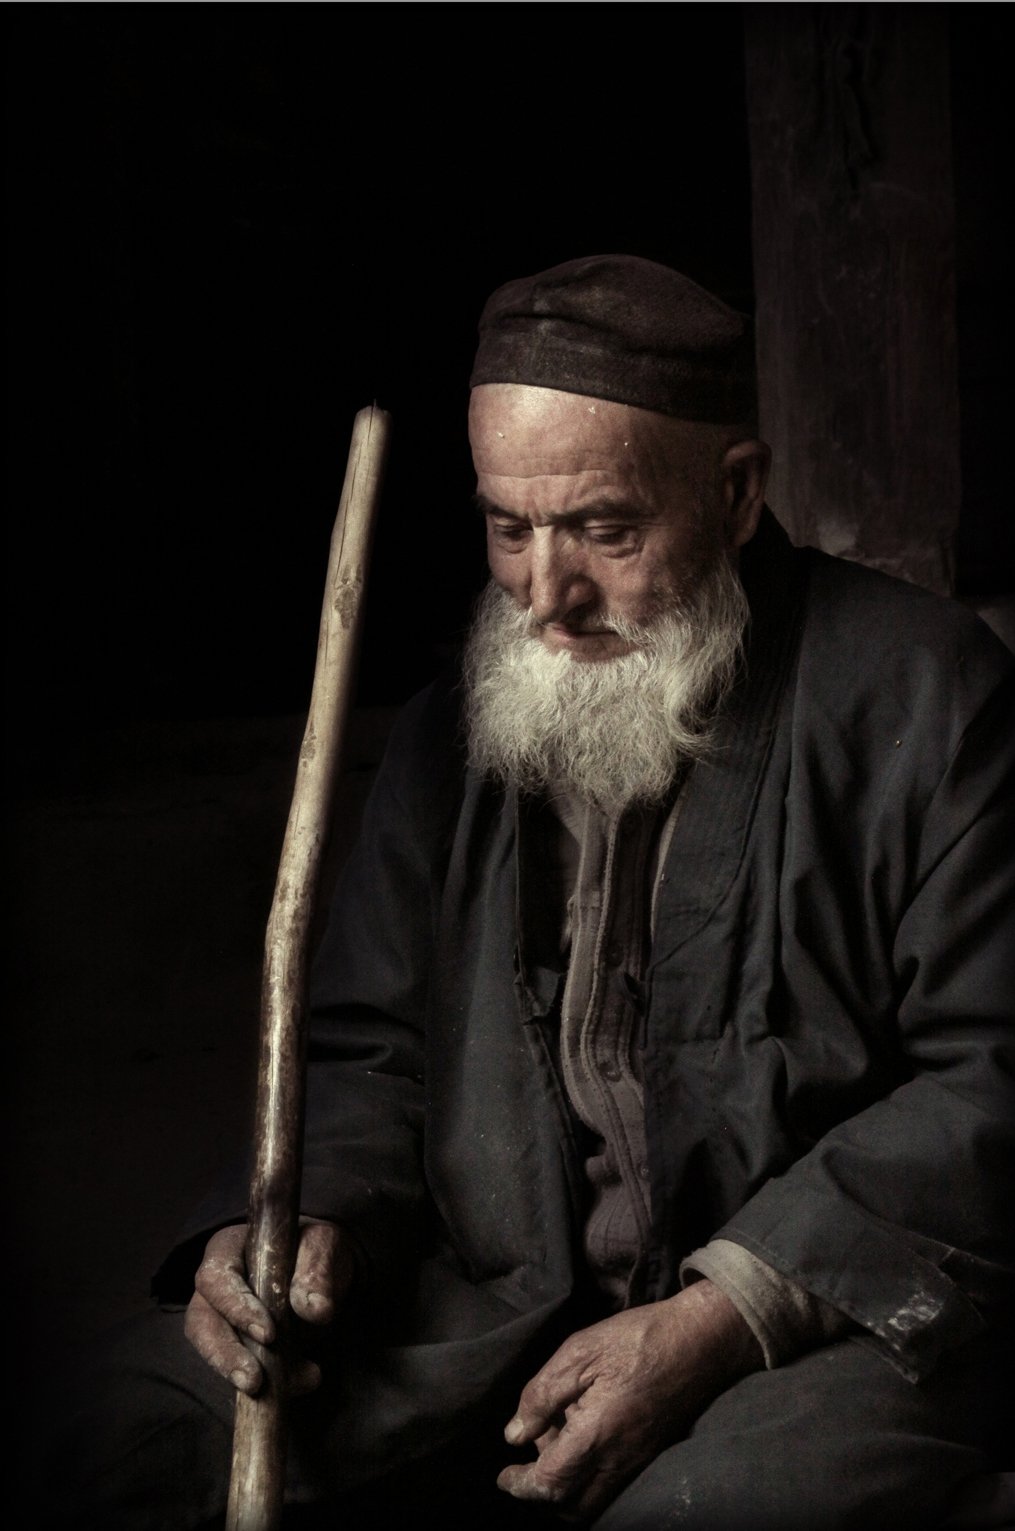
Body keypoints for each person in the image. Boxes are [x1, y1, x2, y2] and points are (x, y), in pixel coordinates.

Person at [54, 256, 1014, 1529]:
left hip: (807, 1315)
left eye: (605, 532)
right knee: (118, 1430)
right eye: (509, 528)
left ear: (735, 494)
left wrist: (724, 1311)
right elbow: (372, 1052)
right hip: (495, 1300)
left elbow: (987, 1075)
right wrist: (304, 1214)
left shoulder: (927, 697)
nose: (546, 595)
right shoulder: (456, 726)